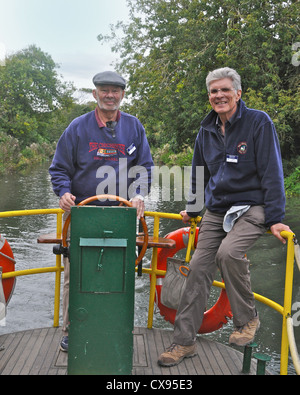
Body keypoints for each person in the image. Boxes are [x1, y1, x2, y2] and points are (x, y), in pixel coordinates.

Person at [158, 67, 293, 367]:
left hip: (253, 205)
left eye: (224, 90)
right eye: (214, 91)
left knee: (229, 253)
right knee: (196, 270)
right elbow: (198, 175)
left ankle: (247, 319)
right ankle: (184, 343)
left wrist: (275, 219)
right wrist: (193, 210)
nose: (219, 96)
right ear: (209, 97)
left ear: (238, 93)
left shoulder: (258, 122)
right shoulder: (205, 130)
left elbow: (273, 171)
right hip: (217, 209)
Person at [49, 71, 154, 352]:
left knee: (120, 275)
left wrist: (140, 195)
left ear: (122, 94)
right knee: (77, 276)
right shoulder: (77, 128)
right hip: (82, 215)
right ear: (95, 94)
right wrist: (63, 193)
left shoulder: (134, 127)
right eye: (104, 90)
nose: (110, 95)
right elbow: (59, 169)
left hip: (122, 217)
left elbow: (144, 169)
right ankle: (73, 330)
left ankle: (118, 328)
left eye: (115, 91)